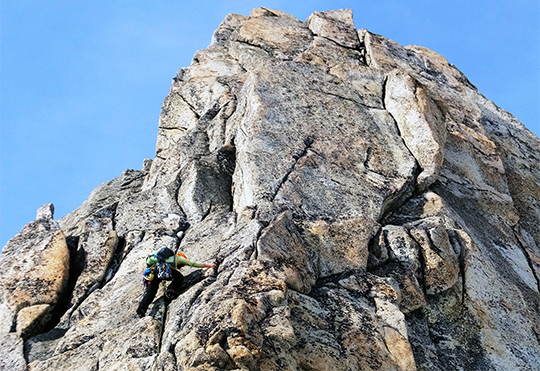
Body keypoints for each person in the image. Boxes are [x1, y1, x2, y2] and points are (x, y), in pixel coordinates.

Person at [136, 247, 216, 317]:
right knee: (179, 277)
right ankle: (171, 289)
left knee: (151, 293)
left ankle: (141, 309)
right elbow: (192, 263)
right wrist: (208, 266)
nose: (182, 266)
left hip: (154, 272)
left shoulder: (162, 259)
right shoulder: (179, 258)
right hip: (165, 272)